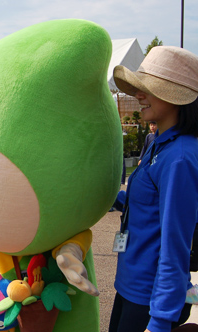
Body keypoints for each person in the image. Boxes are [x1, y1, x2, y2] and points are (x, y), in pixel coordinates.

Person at [109, 46, 198, 332]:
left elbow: (176, 247)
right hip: (132, 286)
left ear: (177, 97)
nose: (139, 95)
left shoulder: (179, 158)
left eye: (148, 88)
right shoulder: (158, 142)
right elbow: (144, 204)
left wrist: (159, 323)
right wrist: (105, 198)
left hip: (149, 299)